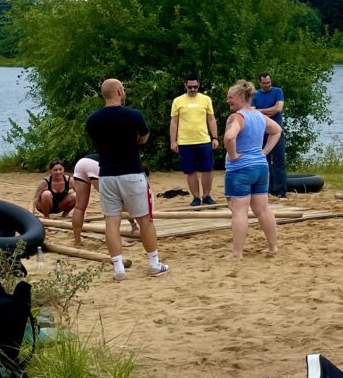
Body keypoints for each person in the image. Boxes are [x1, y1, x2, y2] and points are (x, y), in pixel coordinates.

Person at [84, 79, 168, 281]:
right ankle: (153, 263)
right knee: (144, 219)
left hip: (107, 174)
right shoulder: (133, 115)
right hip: (131, 172)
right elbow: (144, 138)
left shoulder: (93, 120)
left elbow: (97, 142)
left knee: (111, 222)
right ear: (120, 91)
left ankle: (118, 268)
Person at [224, 78, 281, 260]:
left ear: (241, 97)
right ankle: (273, 247)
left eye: (230, 97)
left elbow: (229, 137)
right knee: (262, 209)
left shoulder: (238, 117)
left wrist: (233, 156)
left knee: (239, 210)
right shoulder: (258, 115)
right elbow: (277, 130)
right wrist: (263, 152)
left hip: (241, 169)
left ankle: (237, 254)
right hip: (260, 167)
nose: (228, 101)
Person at [169, 75, 219, 207]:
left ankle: (207, 195)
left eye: (195, 86)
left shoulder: (206, 99)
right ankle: (196, 197)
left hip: (203, 140)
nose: (193, 89)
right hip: (185, 141)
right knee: (190, 171)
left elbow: (211, 119)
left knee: (207, 169)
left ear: (199, 85)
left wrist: (215, 137)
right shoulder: (177, 101)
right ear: (185, 85)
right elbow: (174, 121)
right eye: (190, 87)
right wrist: (173, 141)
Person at [252, 72, 287, 198]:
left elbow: (278, 108)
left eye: (268, 82)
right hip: (261, 132)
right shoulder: (255, 94)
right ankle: (267, 189)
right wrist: (267, 111)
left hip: (277, 131)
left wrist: (260, 112)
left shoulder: (278, 91)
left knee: (279, 160)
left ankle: (281, 190)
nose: (267, 85)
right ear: (259, 83)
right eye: (264, 83)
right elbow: (252, 112)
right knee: (263, 160)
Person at [70, 154, 100, 245]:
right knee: (113, 204)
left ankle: (77, 240)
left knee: (79, 207)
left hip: (81, 162)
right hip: (97, 165)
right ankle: (117, 238)